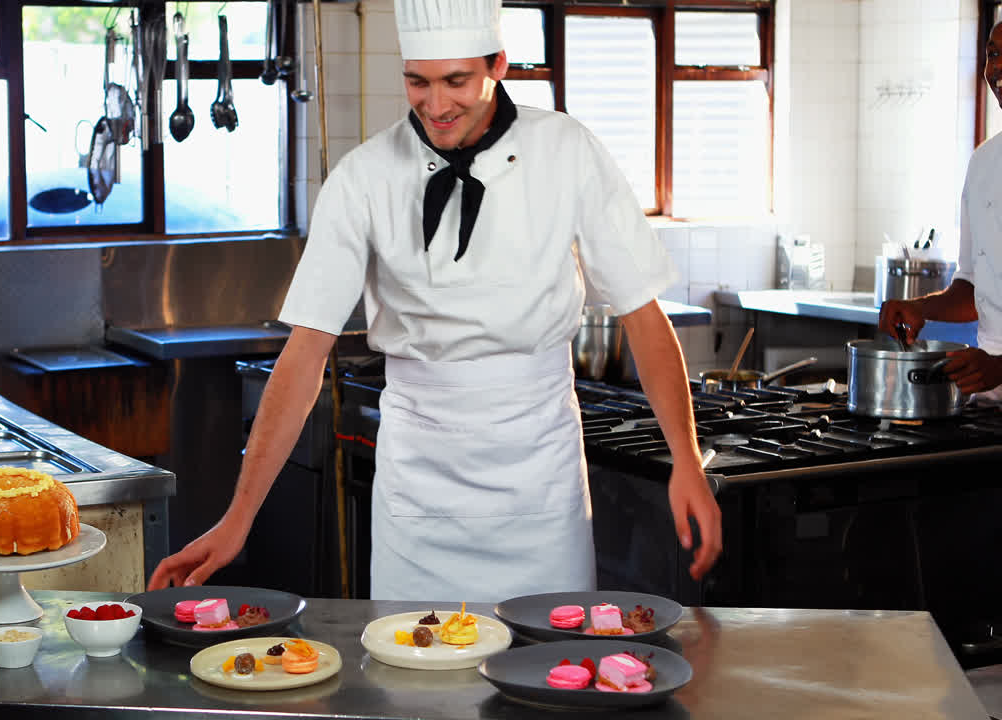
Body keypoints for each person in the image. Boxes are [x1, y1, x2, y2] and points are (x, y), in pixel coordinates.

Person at [148, 0, 721, 602]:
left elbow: (641, 313)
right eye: (417, 82)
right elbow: (305, 352)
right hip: (419, 484)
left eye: (457, 81)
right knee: (413, 673)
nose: (436, 104)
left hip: (538, 478)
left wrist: (685, 458)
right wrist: (238, 518)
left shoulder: (567, 151)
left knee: (547, 670)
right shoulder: (363, 176)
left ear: (498, 64)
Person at [877, 20, 1002, 401]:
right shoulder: (983, 164)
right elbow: (973, 289)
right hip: (990, 399)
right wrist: (920, 308)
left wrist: (1000, 366)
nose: (996, 67)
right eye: (993, 54)